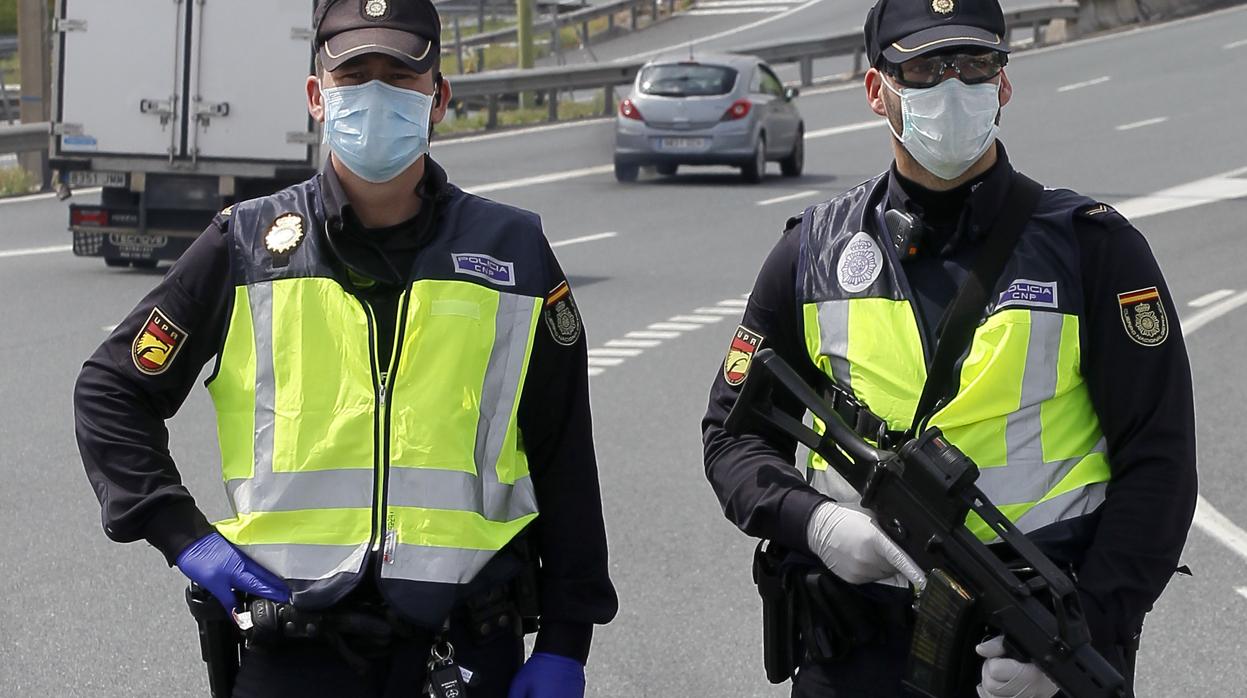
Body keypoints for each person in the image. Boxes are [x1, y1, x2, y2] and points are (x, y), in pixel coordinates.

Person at [74, 0, 617, 695]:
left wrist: (568, 641)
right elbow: (110, 391)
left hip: (467, 645)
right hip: (295, 649)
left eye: (400, 76)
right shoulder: (245, 245)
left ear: (438, 97)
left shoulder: (512, 252)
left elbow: (562, 447)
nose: (377, 95)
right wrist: (183, 535)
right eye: (355, 76)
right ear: (316, 97)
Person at [701, 0, 1197, 696]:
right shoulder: (809, 253)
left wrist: (1081, 636)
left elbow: (1159, 463)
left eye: (974, 65)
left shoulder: (1092, 250)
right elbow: (732, 438)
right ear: (878, 90)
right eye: (926, 68)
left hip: (1028, 634)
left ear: (1003, 84)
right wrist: (813, 524)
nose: (953, 87)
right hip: (855, 645)